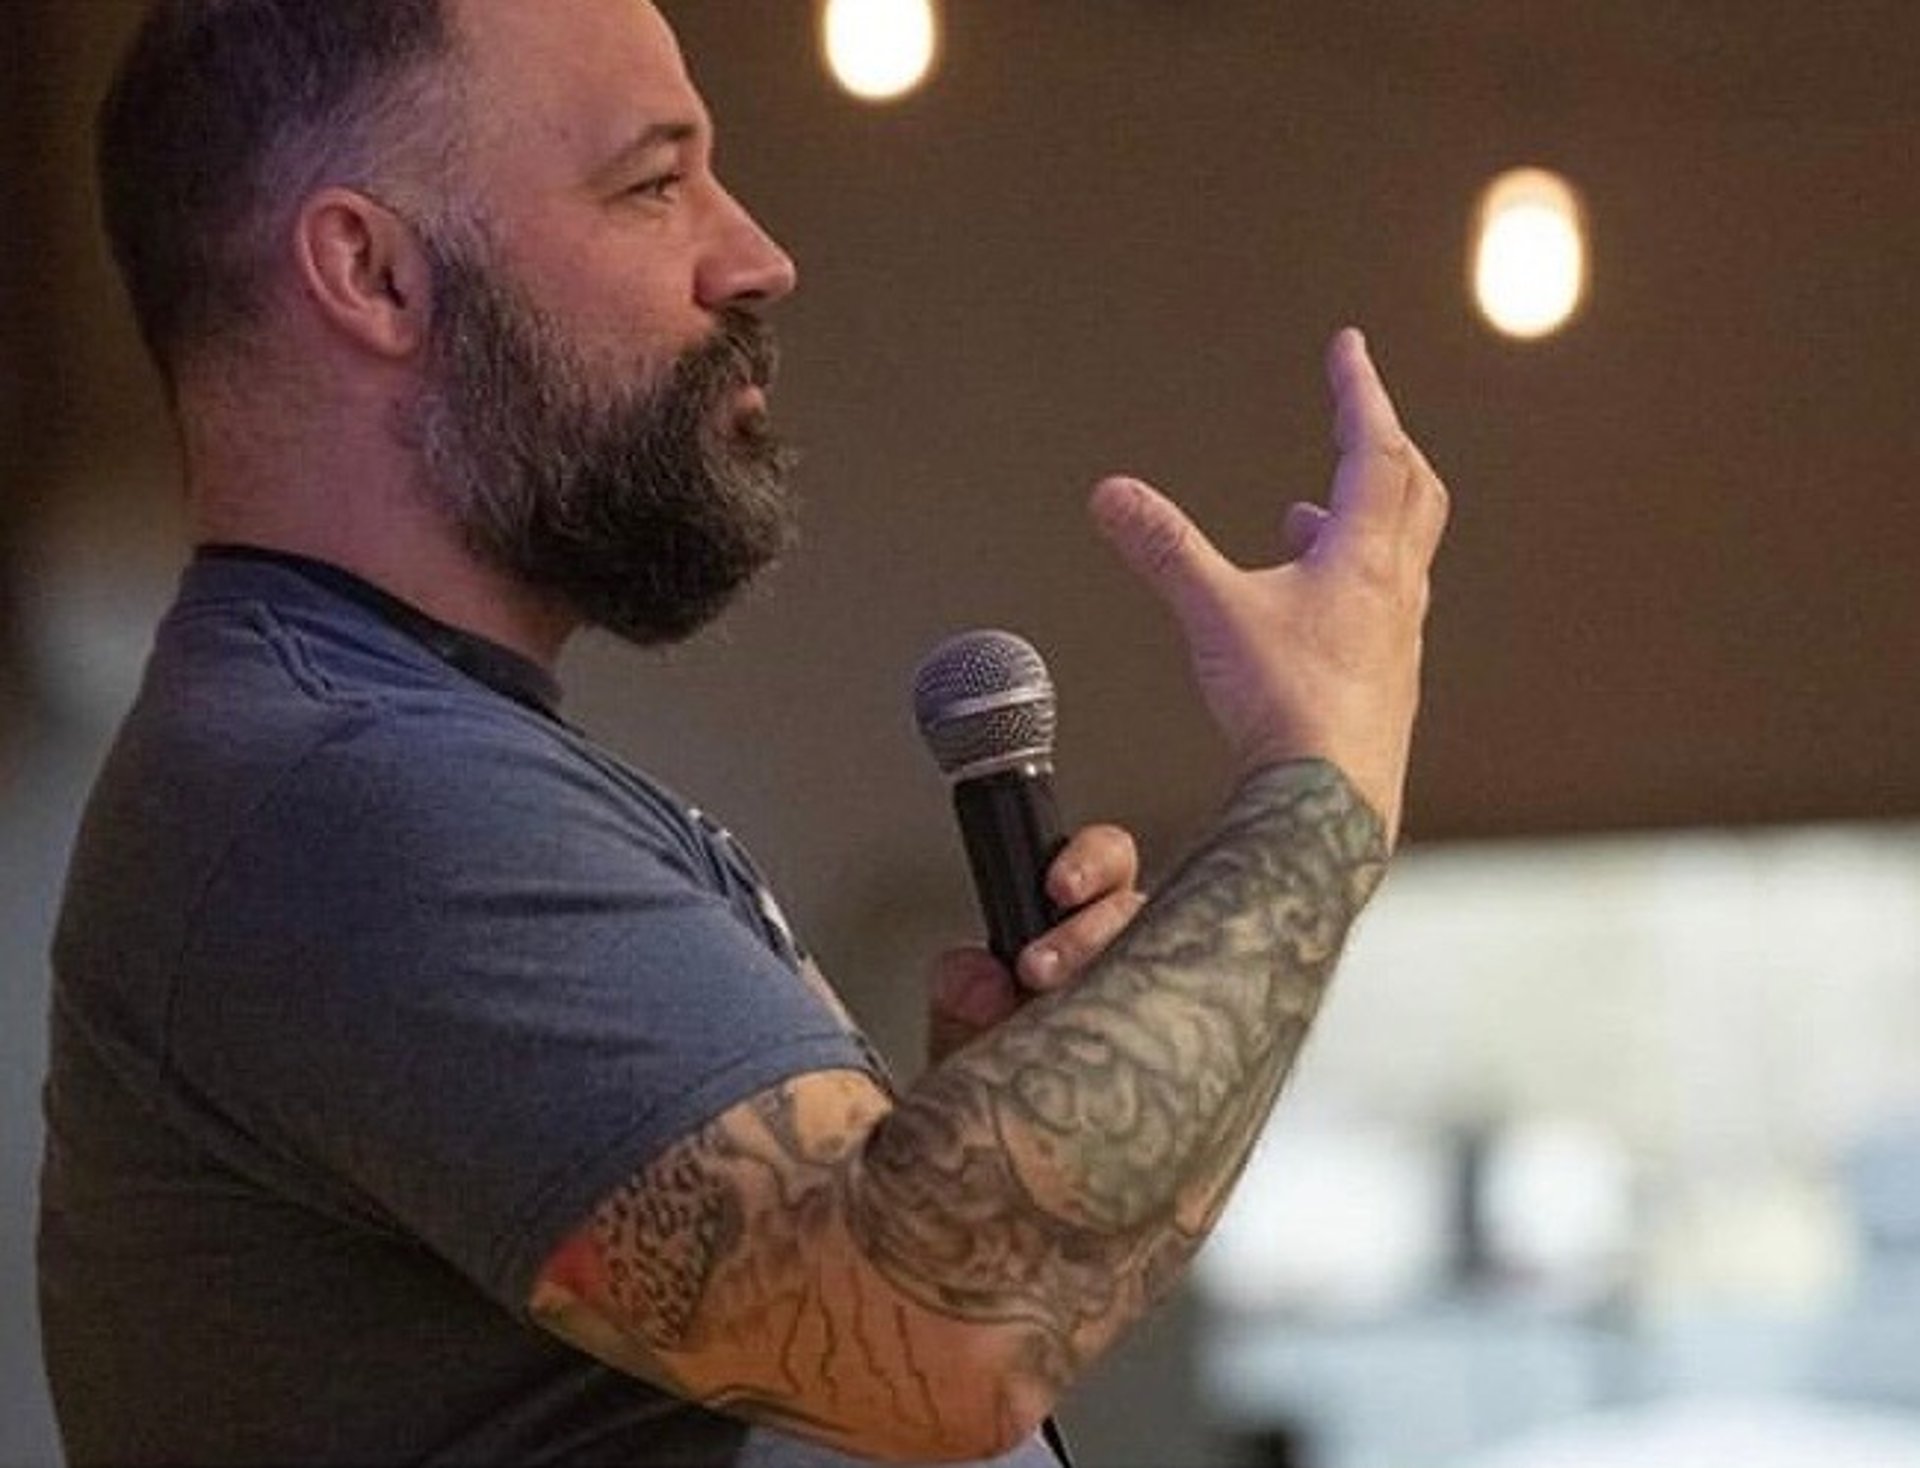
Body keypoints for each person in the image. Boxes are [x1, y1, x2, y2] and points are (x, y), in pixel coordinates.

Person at [36, 1, 1448, 1464]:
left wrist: (982, 1135)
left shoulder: (386, 759)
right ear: (375, 273)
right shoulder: (344, 803)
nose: (756, 256)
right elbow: (936, 1342)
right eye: (654, 183)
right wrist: (1321, 782)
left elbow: (896, 1321)